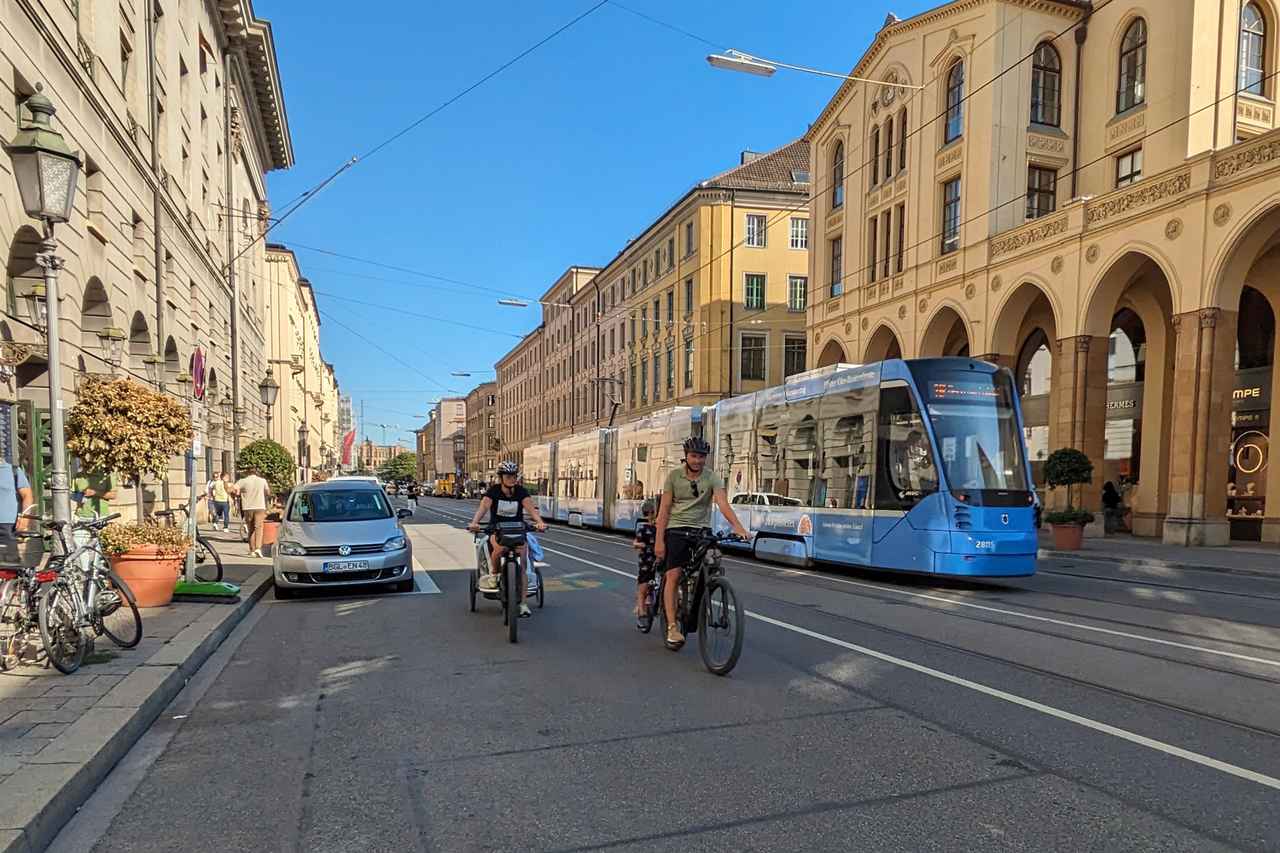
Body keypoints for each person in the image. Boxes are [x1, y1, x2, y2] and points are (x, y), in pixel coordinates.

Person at [654, 436, 751, 650]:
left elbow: (723, 503)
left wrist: (738, 527)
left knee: (713, 560)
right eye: (694, 456)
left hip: (701, 530)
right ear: (686, 456)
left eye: (701, 457)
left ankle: (704, 591)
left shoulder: (711, 477)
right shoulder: (673, 476)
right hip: (676, 529)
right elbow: (664, 510)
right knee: (673, 575)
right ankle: (672, 627)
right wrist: (659, 541)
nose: (698, 460)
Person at [467, 460, 547, 619]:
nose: (512, 479)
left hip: (518, 530)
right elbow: (483, 507)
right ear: (501, 478)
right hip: (498, 530)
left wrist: (539, 522)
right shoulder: (494, 491)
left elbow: (531, 509)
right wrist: (475, 523)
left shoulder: (521, 492)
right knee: (498, 549)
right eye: (508, 476)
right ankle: (495, 575)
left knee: (523, 563)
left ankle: (523, 604)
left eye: (514, 476)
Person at [631, 498, 659, 631]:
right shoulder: (643, 529)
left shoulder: (660, 528)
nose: (652, 515)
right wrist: (640, 544)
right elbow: (634, 543)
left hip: (658, 560)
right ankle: (641, 612)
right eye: (650, 513)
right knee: (643, 586)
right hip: (646, 561)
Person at [0, 460, 34, 566]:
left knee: (9, 565)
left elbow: (27, 496)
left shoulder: (13, 471)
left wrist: (24, 518)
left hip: (7, 526)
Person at [232, 467, 271, 558]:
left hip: (248, 507)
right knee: (258, 527)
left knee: (251, 528)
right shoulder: (262, 481)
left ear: (247, 473)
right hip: (260, 506)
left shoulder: (243, 481)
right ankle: (258, 548)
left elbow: (233, 489)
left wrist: (238, 494)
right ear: (256, 473)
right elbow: (268, 492)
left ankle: (252, 550)